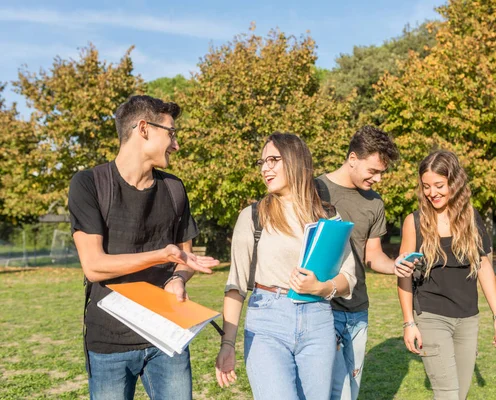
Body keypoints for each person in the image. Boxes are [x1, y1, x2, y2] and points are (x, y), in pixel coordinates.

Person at [68, 95, 220, 400]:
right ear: (143, 128)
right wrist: (162, 254)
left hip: (168, 339)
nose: (176, 145)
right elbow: (94, 266)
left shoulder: (174, 188)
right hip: (110, 343)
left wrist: (178, 278)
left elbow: (184, 256)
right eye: (171, 133)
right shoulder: (89, 184)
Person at [214, 132, 357, 400]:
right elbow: (235, 286)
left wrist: (322, 287)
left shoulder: (328, 215)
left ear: (295, 160)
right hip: (266, 322)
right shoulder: (253, 216)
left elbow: (349, 277)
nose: (265, 168)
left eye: (273, 160)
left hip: (318, 322)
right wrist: (227, 344)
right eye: (262, 162)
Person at [397, 150, 496, 400]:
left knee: (461, 393)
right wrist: (409, 323)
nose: (432, 193)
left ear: (454, 184)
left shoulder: (471, 218)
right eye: (426, 187)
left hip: (468, 318)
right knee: (447, 394)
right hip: (431, 316)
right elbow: (403, 276)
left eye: (439, 185)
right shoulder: (413, 222)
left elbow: (484, 267)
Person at [314, 125, 407, 400]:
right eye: (373, 171)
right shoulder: (315, 190)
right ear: (352, 158)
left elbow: (372, 255)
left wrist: (394, 266)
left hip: (357, 312)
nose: (378, 179)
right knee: (325, 391)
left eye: (382, 173)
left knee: (349, 393)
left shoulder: (374, 202)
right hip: (321, 308)